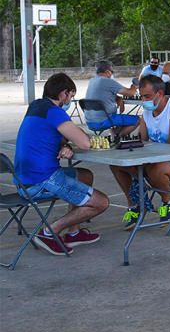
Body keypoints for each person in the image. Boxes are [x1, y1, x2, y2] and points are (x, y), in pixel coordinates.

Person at [14, 73, 108, 255]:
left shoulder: (37, 106)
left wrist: (64, 145)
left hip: (24, 179)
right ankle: (49, 232)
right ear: (64, 93)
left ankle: (74, 233)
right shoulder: (54, 112)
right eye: (71, 96)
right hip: (41, 181)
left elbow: (53, 134)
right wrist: (75, 140)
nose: (70, 100)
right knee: (101, 202)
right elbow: (84, 143)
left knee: (85, 175)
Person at [111, 75, 170, 227]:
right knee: (117, 165)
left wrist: (144, 156)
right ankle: (135, 204)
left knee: (156, 168)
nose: (144, 100)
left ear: (160, 94)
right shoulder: (147, 112)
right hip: (156, 158)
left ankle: (168, 203)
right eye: (142, 96)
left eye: (147, 96)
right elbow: (144, 140)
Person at [83, 59, 139, 131]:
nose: (112, 74)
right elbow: (130, 93)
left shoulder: (92, 81)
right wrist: (134, 86)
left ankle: (114, 134)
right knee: (138, 120)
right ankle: (117, 137)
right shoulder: (107, 81)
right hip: (104, 120)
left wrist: (118, 98)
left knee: (120, 119)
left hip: (90, 122)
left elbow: (102, 95)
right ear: (107, 71)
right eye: (112, 71)